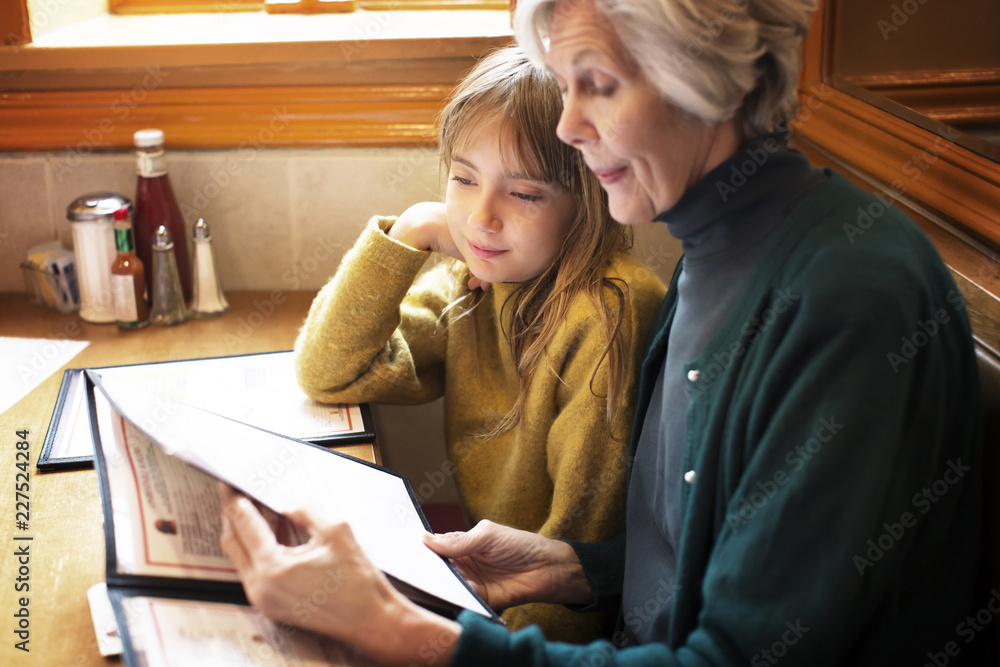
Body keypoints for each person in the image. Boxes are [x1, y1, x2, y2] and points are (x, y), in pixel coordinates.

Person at [220, 0, 994, 664]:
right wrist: (575, 567)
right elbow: (710, 560)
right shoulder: (714, 252)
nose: (569, 126)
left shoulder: (847, 300)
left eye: (599, 85)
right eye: (565, 86)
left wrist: (406, 633)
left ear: (705, 74)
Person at [289, 45, 666, 642]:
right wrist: (411, 229)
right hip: (487, 589)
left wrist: (484, 650)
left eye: (524, 194)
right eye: (463, 179)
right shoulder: (476, 281)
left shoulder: (607, 314)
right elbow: (329, 371)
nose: (480, 217)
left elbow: (577, 557)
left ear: (589, 196)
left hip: (553, 627)